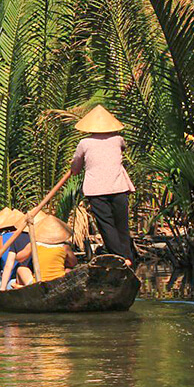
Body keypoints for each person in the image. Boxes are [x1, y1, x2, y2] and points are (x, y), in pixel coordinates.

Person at [68, 105, 136, 266]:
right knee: (122, 225)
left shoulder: (84, 143)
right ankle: (127, 257)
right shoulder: (118, 139)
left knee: (106, 225)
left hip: (96, 190)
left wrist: (74, 168)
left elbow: (75, 168)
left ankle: (120, 258)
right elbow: (121, 150)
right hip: (118, 187)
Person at [32, 215, 78, 281]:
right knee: (69, 270)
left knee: (22, 269)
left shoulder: (35, 245)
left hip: (38, 280)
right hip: (58, 279)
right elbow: (73, 263)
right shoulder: (65, 247)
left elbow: (20, 258)